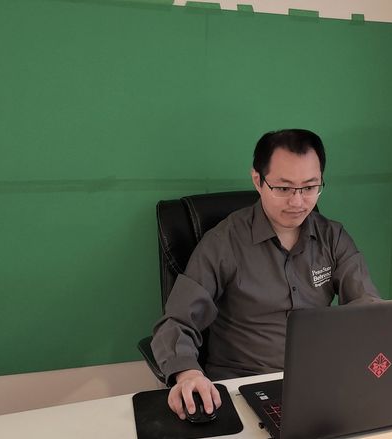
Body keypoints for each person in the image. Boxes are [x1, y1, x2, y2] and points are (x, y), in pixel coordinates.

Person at [150, 129, 380, 420]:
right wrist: (187, 375)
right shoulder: (224, 242)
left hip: (316, 385)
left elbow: (368, 308)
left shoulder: (332, 237)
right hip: (241, 388)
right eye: (283, 188)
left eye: (310, 187)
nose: (298, 202)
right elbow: (177, 321)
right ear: (258, 180)